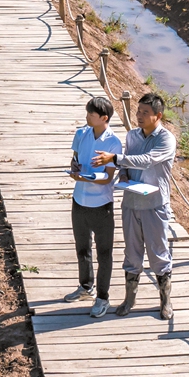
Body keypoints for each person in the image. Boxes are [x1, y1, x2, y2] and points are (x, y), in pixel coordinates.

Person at [92, 93, 176, 319]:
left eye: (144, 113)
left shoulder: (166, 140)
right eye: (138, 112)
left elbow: (148, 159)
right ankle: (130, 299)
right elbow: (128, 163)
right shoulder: (132, 136)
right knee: (131, 253)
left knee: (159, 254)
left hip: (155, 205)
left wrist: (115, 159)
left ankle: (165, 301)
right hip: (131, 203)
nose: (139, 116)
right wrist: (124, 174)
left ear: (158, 116)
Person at [64, 96, 123, 318]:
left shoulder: (113, 143)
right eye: (87, 112)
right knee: (82, 248)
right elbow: (75, 160)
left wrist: (85, 178)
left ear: (104, 118)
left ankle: (103, 297)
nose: (87, 116)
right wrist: (74, 170)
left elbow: (108, 178)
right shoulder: (81, 134)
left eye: (91, 114)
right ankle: (85, 286)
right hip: (79, 201)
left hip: (101, 206)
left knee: (104, 253)